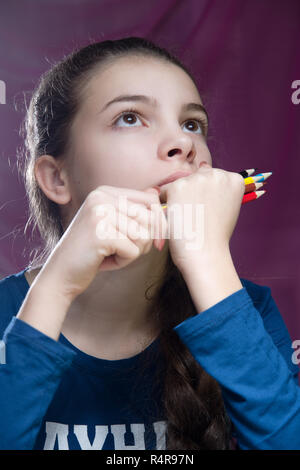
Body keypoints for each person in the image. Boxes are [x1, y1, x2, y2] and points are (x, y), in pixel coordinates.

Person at [0, 36, 300, 451]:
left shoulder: (247, 310)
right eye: (129, 117)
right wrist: (56, 287)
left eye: (192, 123)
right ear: (57, 178)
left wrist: (207, 259)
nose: (185, 144)